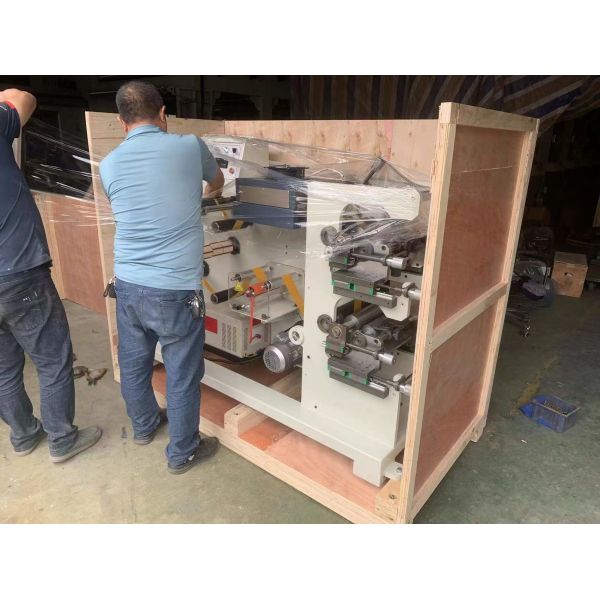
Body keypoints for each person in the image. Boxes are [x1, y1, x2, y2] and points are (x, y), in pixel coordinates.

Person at [99, 81, 224, 474]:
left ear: (121, 122)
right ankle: (183, 452)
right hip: (174, 291)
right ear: (163, 113)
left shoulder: (108, 164)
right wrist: (194, 195)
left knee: (134, 363)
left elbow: (129, 204)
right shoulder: (189, 146)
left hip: (126, 285)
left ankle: (144, 426)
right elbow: (217, 182)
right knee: (182, 374)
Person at [0, 89, 102, 461]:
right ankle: (62, 438)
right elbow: (22, 97)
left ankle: (24, 435)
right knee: (52, 359)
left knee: (3, 369)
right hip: (18, 273)